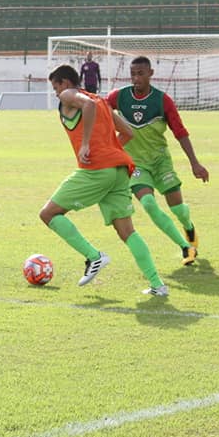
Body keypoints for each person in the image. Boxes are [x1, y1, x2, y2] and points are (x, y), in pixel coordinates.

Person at [39, 64, 168, 296]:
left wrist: (87, 143)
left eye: (56, 87)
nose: (56, 93)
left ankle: (94, 257)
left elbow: (85, 105)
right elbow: (128, 132)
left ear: (66, 83)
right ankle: (158, 284)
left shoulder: (71, 97)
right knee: (127, 231)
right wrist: (111, 150)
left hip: (97, 169)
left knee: (48, 214)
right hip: (119, 170)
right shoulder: (101, 101)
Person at [106, 56, 206, 265]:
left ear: (150, 73)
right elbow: (99, 109)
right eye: (132, 74)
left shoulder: (162, 100)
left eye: (140, 73)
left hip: (160, 162)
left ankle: (188, 226)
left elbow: (180, 132)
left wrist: (194, 163)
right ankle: (185, 247)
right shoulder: (118, 96)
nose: (136, 78)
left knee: (177, 208)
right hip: (135, 164)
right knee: (149, 204)